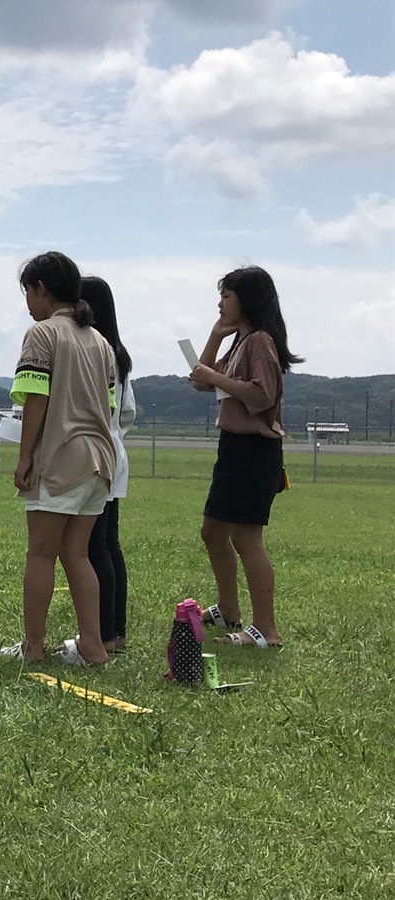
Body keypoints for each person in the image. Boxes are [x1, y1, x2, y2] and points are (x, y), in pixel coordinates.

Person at [0, 252, 117, 667]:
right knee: (78, 553)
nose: (28, 303)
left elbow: (36, 397)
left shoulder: (42, 334)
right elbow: (110, 405)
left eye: (27, 292)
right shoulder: (100, 341)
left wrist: (24, 455)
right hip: (101, 460)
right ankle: (93, 645)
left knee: (41, 553)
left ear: (41, 289)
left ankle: (32, 647)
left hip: (61, 457)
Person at [188, 265, 301, 648]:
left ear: (246, 300)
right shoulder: (240, 341)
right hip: (234, 448)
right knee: (212, 531)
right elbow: (201, 379)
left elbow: (262, 396)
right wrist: (216, 336)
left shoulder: (260, 342)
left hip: (255, 450)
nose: (220, 303)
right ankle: (227, 608)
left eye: (227, 296)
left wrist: (218, 378)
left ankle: (266, 630)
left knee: (246, 537)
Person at [79, 276, 136, 654]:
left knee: (96, 547)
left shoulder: (91, 350)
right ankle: (115, 631)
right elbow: (127, 411)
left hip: (96, 454)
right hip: (115, 451)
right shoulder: (119, 353)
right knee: (109, 545)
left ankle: (103, 636)